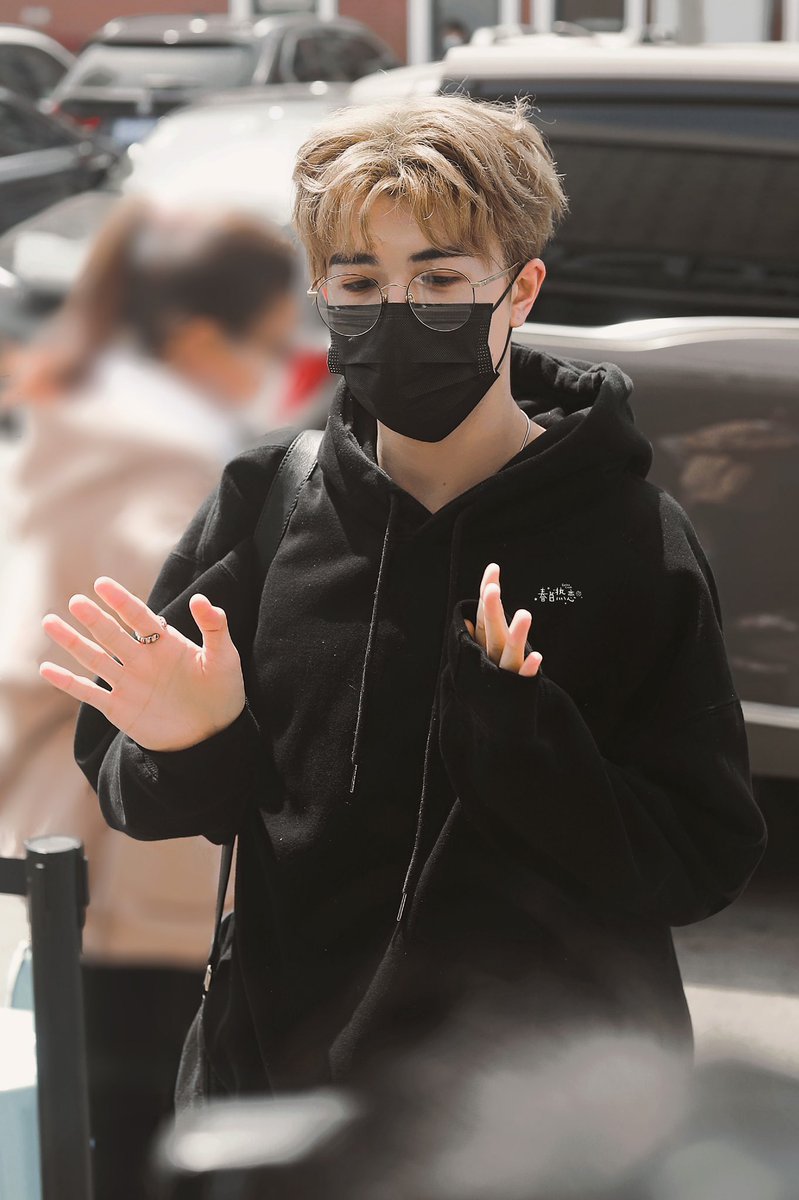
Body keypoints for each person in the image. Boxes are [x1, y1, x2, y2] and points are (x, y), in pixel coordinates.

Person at [42, 94, 767, 1102]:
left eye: (438, 278)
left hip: (544, 1120)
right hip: (286, 1100)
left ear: (520, 291)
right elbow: (139, 791)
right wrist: (188, 741)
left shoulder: (630, 537)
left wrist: (519, 738)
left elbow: (697, 862)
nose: (396, 312)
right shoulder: (268, 502)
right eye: (359, 282)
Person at [2, 197, 297, 1190]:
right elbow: (174, 652)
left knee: (90, 1130)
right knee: (141, 1140)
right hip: (138, 866)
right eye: (271, 341)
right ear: (201, 339)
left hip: (76, 854)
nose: (284, 364)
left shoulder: (80, 427)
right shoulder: (164, 470)